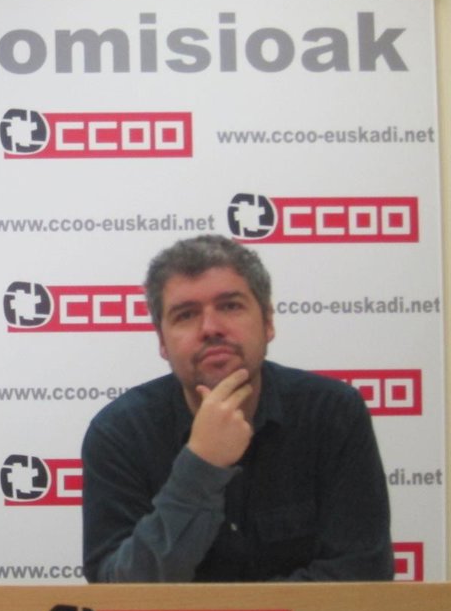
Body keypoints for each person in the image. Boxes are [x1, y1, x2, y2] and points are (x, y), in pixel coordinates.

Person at [81, 234, 392, 583]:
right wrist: (201, 467)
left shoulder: (333, 414)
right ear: (162, 342)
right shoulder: (120, 433)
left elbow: (361, 574)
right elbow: (116, 592)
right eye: (186, 315)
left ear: (268, 322)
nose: (211, 328)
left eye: (230, 306)